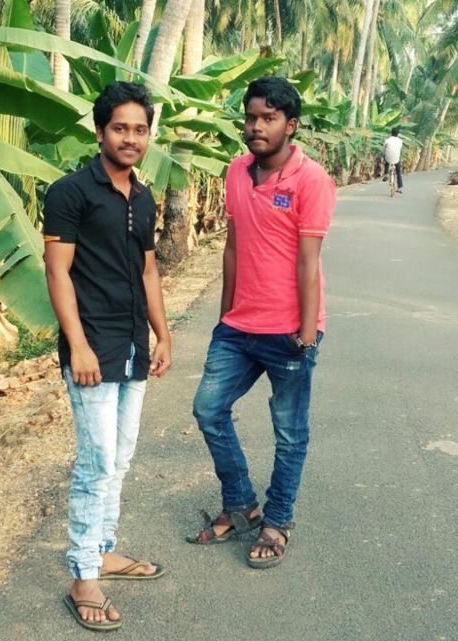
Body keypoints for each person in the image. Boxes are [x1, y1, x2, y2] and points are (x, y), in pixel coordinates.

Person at [187, 77, 336, 569]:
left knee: (289, 432)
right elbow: (232, 248)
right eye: (251, 117)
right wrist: (224, 316)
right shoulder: (235, 171)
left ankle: (278, 521)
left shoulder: (310, 180)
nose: (256, 127)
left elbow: (308, 261)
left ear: (290, 125)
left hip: (289, 331)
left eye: (268, 118)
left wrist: (307, 335)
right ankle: (241, 503)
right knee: (208, 409)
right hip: (238, 327)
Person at [43, 81, 171, 631]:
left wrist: (163, 334)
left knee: (119, 459)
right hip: (92, 347)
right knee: (96, 465)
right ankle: (82, 576)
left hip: (134, 346)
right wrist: (77, 344)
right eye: (120, 128)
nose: (131, 138)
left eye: (140, 130)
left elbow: (148, 271)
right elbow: (58, 273)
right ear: (100, 132)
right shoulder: (70, 192)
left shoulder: (143, 197)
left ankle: (102, 551)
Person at [383, 126, 404, 193]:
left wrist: (384, 154)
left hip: (388, 158)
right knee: (398, 172)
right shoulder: (400, 141)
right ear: (398, 134)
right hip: (396, 158)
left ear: (391, 133)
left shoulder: (387, 140)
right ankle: (400, 187)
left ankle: (386, 174)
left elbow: (384, 148)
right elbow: (399, 149)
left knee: (386, 161)